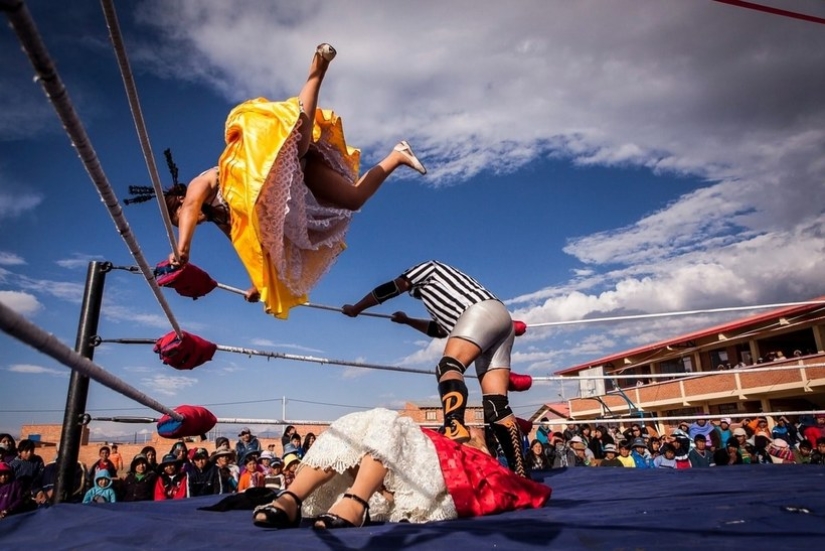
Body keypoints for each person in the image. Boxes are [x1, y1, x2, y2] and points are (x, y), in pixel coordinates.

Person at [147, 43, 427, 319]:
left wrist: (182, 248)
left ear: (180, 202)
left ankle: (318, 68)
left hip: (271, 160)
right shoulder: (222, 217)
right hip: (296, 184)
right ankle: (397, 155)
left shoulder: (200, 185)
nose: (193, 222)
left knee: (298, 142)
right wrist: (259, 284)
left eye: (180, 218)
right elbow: (250, 248)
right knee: (353, 200)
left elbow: (191, 206)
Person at [342, 260, 526, 477]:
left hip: (479, 311)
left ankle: (454, 424)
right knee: (497, 404)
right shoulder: (442, 298)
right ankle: (521, 473)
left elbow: (392, 287)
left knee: (449, 365)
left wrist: (357, 308)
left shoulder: (429, 268)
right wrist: (407, 321)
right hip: (502, 320)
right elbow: (438, 330)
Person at [251, 408, 550, 530]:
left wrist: (478, 443)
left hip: (429, 472)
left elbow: (510, 486)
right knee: (365, 421)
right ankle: (292, 498)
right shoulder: (445, 436)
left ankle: (355, 501)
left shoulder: (485, 460)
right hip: (412, 455)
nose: (464, 429)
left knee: (391, 422)